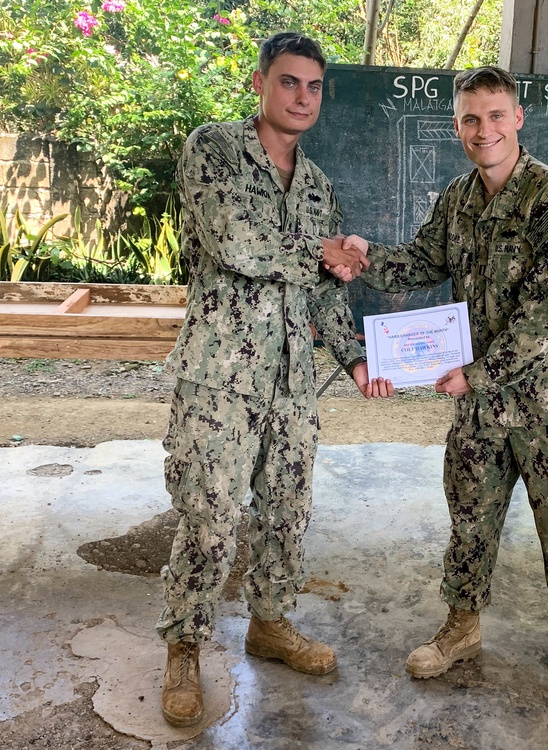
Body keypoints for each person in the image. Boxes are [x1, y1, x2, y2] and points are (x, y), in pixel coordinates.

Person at [347, 66, 548, 698]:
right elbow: (421, 261)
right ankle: (462, 627)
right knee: (470, 518)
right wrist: (363, 256)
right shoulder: (459, 199)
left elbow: (544, 318)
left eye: (495, 116)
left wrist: (476, 375)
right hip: (479, 405)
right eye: (469, 118)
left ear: (517, 119)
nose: (482, 129)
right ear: (457, 125)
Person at [155, 32, 388, 728]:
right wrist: (321, 250)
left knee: (286, 515)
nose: (302, 97)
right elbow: (234, 241)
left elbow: (323, 291)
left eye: (314, 87)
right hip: (221, 378)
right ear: (260, 83)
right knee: (210, 519)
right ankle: (185, 649)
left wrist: (354, 359)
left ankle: (270, 623)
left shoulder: (317, 187)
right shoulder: (214, 149)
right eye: (289, 83)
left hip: (291, 385)